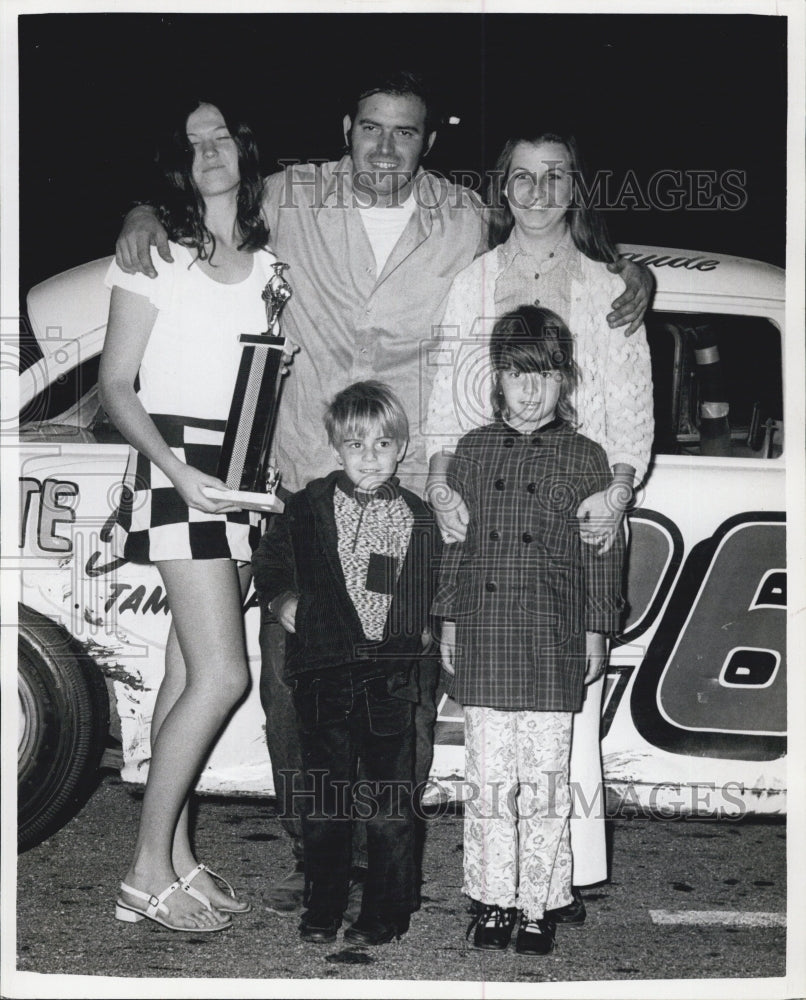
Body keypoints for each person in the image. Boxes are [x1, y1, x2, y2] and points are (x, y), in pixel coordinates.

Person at [114, 71, 653, 909]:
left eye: (406, 132)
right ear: (347, 127)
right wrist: (139, 211)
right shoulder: (288, 196)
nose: (386, 147)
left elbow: (543, 252)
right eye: (372, 128)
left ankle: (386, 852)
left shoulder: (465, 217)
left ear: (428, 141)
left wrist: (634, 274)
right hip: (298, 484)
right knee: (297, 682)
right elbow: (199, 193)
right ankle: (316, 849)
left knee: (401, 685)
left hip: (408, 496)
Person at [425, 129, 655, 923]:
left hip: (584, 498)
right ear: (504, 188)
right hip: (489, 498)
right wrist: (440, 478)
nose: (538, 189)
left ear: (574, 186)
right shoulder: (474, 281)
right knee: (497, 734)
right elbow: (448, 398)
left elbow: (631, 404)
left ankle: (554, 885)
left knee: (563, 724)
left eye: (554, 175)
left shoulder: (608, 285)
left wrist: (619, 489)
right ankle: (501, 888)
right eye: (522, 176)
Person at [100, 97, 284, 932]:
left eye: (220, 136)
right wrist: (178, 471)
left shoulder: (275, 266)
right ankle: (143, 871)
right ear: (178, 162)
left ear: (245, 148)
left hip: (239, 483)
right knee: (224, 675)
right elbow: (114, 386)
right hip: (177, 473)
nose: (208, 151)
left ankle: (172, 854)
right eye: (191, 142)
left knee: (183, 673)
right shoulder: (154, 254)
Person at [435, 307, 627, 955]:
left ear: (565, 381)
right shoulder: (473, 449)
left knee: (545, 784)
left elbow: (602, 552)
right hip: (486, 631)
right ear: (496, 377)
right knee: (489, 781)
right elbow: (455, 547)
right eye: (518, 374)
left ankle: (540, 904)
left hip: (551, 636)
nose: (530, 389)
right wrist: (449, 618)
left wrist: (597, 631)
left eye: (544, 375)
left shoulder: (587, 456)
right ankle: (491, 900)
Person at [251, 381, 441, 945]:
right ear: (336, 448)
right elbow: (271, 559)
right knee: (326, 798)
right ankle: (324, 902)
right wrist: (282, 598)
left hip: (389, 676)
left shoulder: (419, 517)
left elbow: (431, 582)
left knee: (389, 802)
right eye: (356, 445)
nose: (369, 457)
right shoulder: (308, 505)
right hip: (324, 672)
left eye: (382, 445)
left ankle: (386, 909)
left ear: (402, 448)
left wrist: (422, 627)